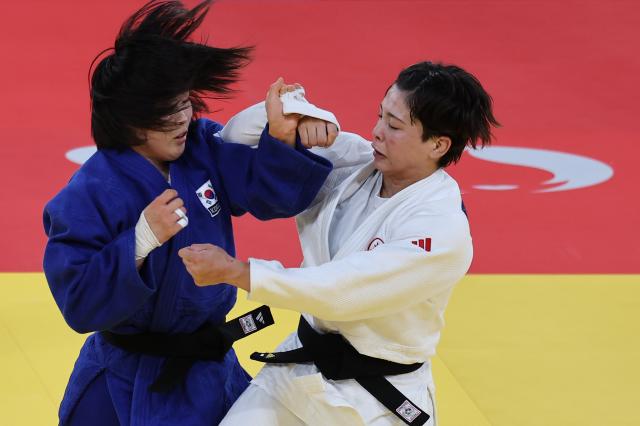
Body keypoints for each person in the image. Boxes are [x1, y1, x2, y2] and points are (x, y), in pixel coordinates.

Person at [42, 1, 335, 425]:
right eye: (167, 113)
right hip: (123, 381)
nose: (182, 120)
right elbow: (78, 304)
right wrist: (139, 242)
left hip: (206, 373)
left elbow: (272, 196)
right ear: (131, 121)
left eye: (185, 105)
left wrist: (283, 138)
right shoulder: (89, 192)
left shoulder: (202, 145)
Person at [179, 61, 500, 425]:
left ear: (438, 145)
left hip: (377, 402)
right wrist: (299, 112)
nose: (377, 132)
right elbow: (235, 137)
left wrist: (239, 272)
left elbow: (341, 292)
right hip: (298, 377)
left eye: (394, 126)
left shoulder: (441, 230)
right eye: (380, 116)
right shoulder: (353, 160)